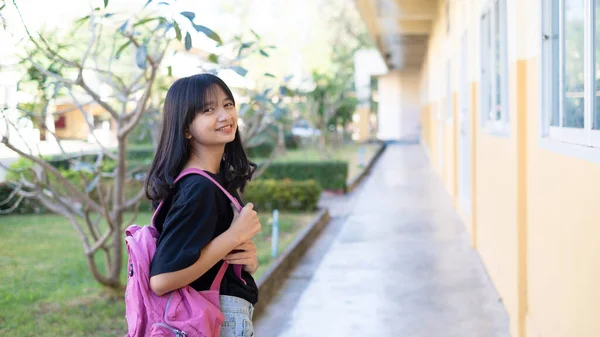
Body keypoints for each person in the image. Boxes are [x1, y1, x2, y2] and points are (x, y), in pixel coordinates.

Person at [144, 73, 262, 337]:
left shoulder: (211, 182)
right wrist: (234, 235)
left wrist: (246, 260)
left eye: (228, 104)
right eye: (208, 110)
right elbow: (162, 280)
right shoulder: (199, 188)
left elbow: (203, 252)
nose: (224, 115)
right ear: (186, 128)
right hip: (215, 319)